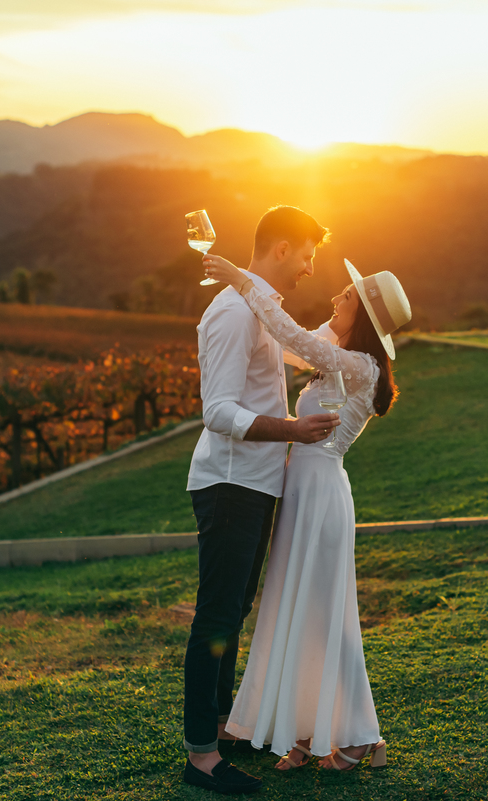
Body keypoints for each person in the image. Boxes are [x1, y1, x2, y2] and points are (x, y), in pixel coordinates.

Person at [202, 251, 411, 774]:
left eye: (348, 296)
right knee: (296, 605)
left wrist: (243, 281)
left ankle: (361, 736)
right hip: (301, 489)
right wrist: (249, 294)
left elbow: (292, 336)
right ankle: (304, 731)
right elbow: (287, 341)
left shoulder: (358, 365)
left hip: (320, 493)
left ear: (361, 314)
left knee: (323, 612)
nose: (337, 296)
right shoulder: (338, 350)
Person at [182, 206, 341, 795]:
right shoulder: (230, 312)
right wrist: (293, 431)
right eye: (306, 254)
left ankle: (221, 725)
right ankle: (200, 755)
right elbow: (218, 413)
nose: (309, 266)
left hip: (255, 483)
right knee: (216, 615)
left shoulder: (261, 309)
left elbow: (305, 348)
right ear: (279, 248)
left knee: (235, 611)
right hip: (229, 483)